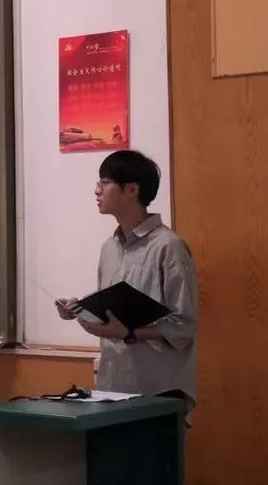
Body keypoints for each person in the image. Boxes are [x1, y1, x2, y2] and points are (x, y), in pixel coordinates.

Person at [56, 150, 198, 416]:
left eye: (105, 182)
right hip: (113, 386)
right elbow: (114, 309)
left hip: (158, 390)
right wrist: (80, 309)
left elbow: (185, 325)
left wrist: (129, 334)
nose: (97, 190)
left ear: (132, 189)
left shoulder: (169, 246)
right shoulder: (109, 248)